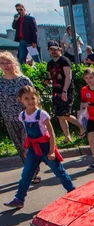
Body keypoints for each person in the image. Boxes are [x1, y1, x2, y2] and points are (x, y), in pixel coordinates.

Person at [3, 86, 74, 209]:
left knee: (59, 172)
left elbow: (51, 134)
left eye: (32, 98)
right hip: (33, 149)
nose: (30, 101)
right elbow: (27, 133)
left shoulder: (42, 114)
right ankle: (19, 198)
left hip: (46, 148)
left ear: (37, 98)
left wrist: (52, 151)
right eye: (26, 98)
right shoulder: (22, 116)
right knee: (26, 174)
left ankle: (73, 193)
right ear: (21, 100)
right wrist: (26, 149)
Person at [0, 51, 41, 183]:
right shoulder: (0, 82)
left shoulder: (23, 80)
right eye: (2, 63)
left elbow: (34, 97)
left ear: (14, 63)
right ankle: (31, 171)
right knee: (19, 146)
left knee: (26, 145)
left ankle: (32, 171)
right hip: (8, 118)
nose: (5, 66)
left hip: (26, 118)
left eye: (8, 62)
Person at [46, 40, 84, 144]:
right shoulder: (49, 64)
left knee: (65, 114)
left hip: (66, 90)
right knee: (60, 116)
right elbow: (51, 78)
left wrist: (64, 91)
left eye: (55, 49)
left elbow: (68, 77)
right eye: (51, 49)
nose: (53, 51)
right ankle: (67, 137)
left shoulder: (64, 60)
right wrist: (48, 81)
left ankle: (82, 127)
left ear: (59, 49)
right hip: (55, 91)